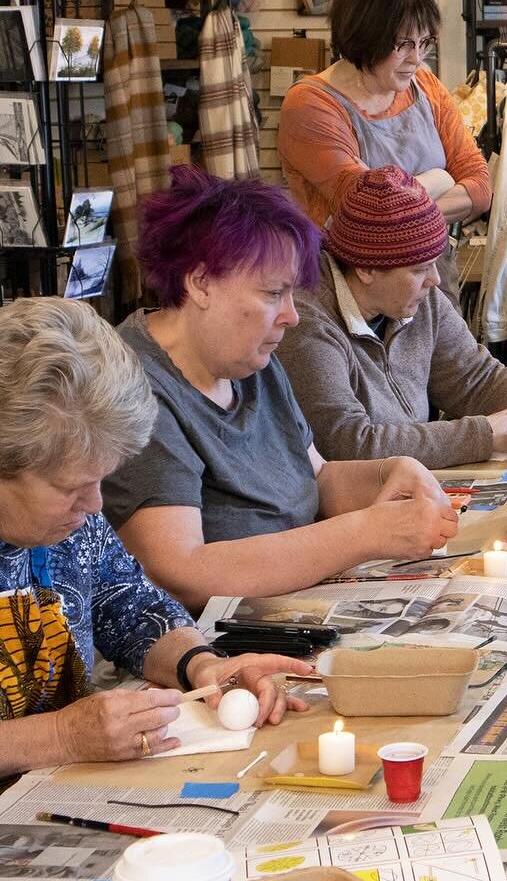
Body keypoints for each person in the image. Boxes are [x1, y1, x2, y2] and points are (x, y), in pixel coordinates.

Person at [102, 165, 458, 613]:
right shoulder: (137, 389)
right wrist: (367, 533)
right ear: (200, 283)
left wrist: (389, 473)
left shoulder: (247, 360)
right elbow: (179, 573)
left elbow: (317, 478)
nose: (292, 315)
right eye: (274, 293)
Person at [0, 297, 309, 776]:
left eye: (101, 480)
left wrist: (203, 668)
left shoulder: (67, 525)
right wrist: (58, 736)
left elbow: (126, 604)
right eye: (71, 487)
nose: (95, 505)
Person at [277, 166, 507, 468]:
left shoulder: (419, 299)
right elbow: (348, 445)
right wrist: (483, 434)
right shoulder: (305, 323)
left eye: (434, 262)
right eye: (418, 269)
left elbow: (480, 383)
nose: (435, 280)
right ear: (367, 268)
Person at [277, 0, 491, 290]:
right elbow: (370, 209)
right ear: (364, 37)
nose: (417, 58)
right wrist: (439, 179)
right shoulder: (311, 104)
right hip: (350, 290)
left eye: (425, 42)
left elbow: (479, 188)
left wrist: (401, 206)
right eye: (403, 44)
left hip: (431, 281)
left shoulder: (427, 86)